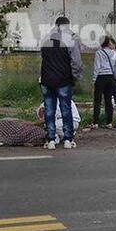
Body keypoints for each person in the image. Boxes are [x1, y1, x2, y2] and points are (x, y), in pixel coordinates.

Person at [40, 16, 83, 150]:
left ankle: (51, 140)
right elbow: (76, 62)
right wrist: (75, 77)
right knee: (65, 109)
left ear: (56, 25)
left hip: (47, 79)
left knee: (49, 110)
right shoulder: (72, 39)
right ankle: (68, 140)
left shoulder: (45, 39)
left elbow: (43, 57)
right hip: (64, 79)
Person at [92, 36, 116, 129]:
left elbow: (97, 66)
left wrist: (94, 79)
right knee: (108, 100)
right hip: (110, 77)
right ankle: (109, 122)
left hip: (100, 77)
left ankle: (95, 122)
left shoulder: (99, 53)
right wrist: (114, 76)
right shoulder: (114, 53)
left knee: (97, 100)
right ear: (108, 43)